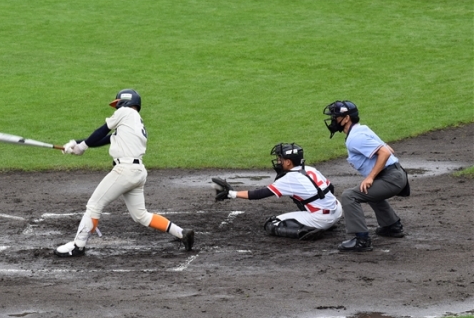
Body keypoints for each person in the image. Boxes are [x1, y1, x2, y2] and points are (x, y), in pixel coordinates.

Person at [55, 89, 195, 257]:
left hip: (124, 171)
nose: (116, 108)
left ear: (125, 102)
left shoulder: (125, 112)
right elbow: (104, 139)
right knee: (141, 216)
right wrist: (74, 144)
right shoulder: (134, 123)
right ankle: (181, 233)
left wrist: (82, 147)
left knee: (94, 205)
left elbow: (102, 131)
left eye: (118, 104)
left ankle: (78, 247)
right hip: (138, 172)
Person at [323, 100, 409, 252]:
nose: (333, 120)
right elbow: (390, 149)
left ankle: (361, 240)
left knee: (350, 195)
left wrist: (371, 176)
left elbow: (385, 152)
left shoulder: (355, 138)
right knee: (365, 189)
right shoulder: (362, 129)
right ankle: (391, 226)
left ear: (346, 118)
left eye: (335, 117)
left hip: (391, 178)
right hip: (395, 174)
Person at [212, 143, 342, 240]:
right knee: (308, 198)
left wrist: (231, 194)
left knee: (272, 224)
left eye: (280, 159)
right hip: (337, 211)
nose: (278, 161)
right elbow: (330, 188)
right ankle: (326, 224)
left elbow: (259, 194)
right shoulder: (310, 169)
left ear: (288, 162)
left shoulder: (289, 179)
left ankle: (306, 231)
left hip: (321, 219)